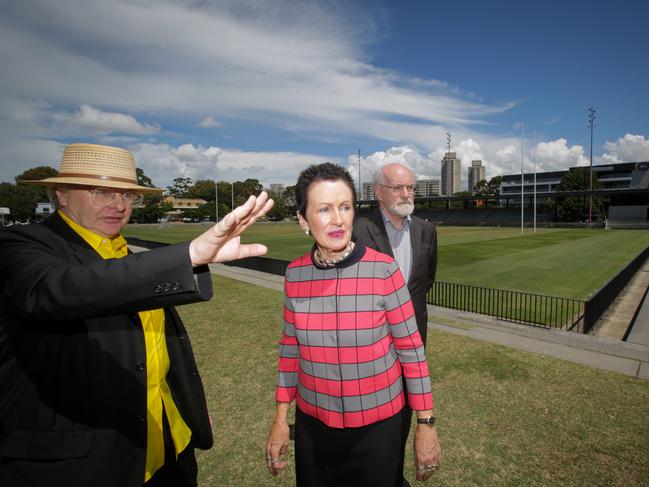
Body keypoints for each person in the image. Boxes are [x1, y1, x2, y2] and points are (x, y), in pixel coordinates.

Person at [0, 143, 273, 487]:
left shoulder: (126, 253)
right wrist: (188, 254)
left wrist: (188, 413)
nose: (119, 205)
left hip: (168, 450)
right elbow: (58, 289)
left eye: (128, 195)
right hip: (84, 466)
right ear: (62, 194)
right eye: (103, 193)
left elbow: (157, 352)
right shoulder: (19, 244)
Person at [265, 163, 440, 486]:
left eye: (344, 207)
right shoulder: (295, 274)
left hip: (378, 431)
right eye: (324, 209)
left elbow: (412, 353)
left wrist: (425, 425)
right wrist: (280, 419)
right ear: (303, 220)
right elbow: (290, 350)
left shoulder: (385, 272)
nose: (338, 219)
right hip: (313, 428)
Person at [353, 162, 438, 487]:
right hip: (370, 347)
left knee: (404, 415)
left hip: (412, 343)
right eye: (398, 187)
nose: (407, 194)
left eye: (410, 188)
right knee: (370, 419)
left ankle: (392, 473)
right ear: (379, 192)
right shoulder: (359, 230)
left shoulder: (427, 231)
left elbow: (425, 280)